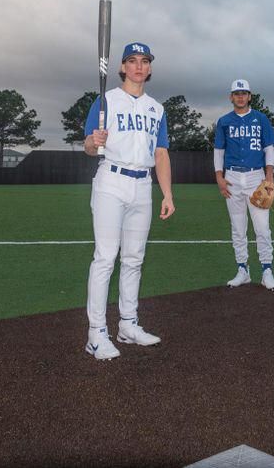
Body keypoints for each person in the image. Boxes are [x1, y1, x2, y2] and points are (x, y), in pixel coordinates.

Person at [82, 42, 175, 361]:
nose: (138, 66)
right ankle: (96, 334)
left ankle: (128, 324)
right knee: (105, 257)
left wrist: (167, 193)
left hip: (143, 185)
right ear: (122, 67)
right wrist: (93, 141)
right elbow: (89, 147)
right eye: (132, 61)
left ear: (150, 68)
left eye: (144, 61)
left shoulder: (157, 109)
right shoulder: (105, 101)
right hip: (111, 180)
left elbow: (160, 153)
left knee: (134, 258)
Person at [213, 79, 274, 290]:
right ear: (231, 97)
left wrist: (269, 176)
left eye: (244, 93)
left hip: (255, 177)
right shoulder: (224, 121)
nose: (240, 97)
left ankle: (267, 270)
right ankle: (243, 270)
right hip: (232, 178)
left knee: (262, 228)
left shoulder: (261, 119)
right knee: (238, 227)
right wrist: (219, 177)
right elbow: (219, 151)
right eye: (237, 93)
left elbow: (269, 148)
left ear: (249, 96)